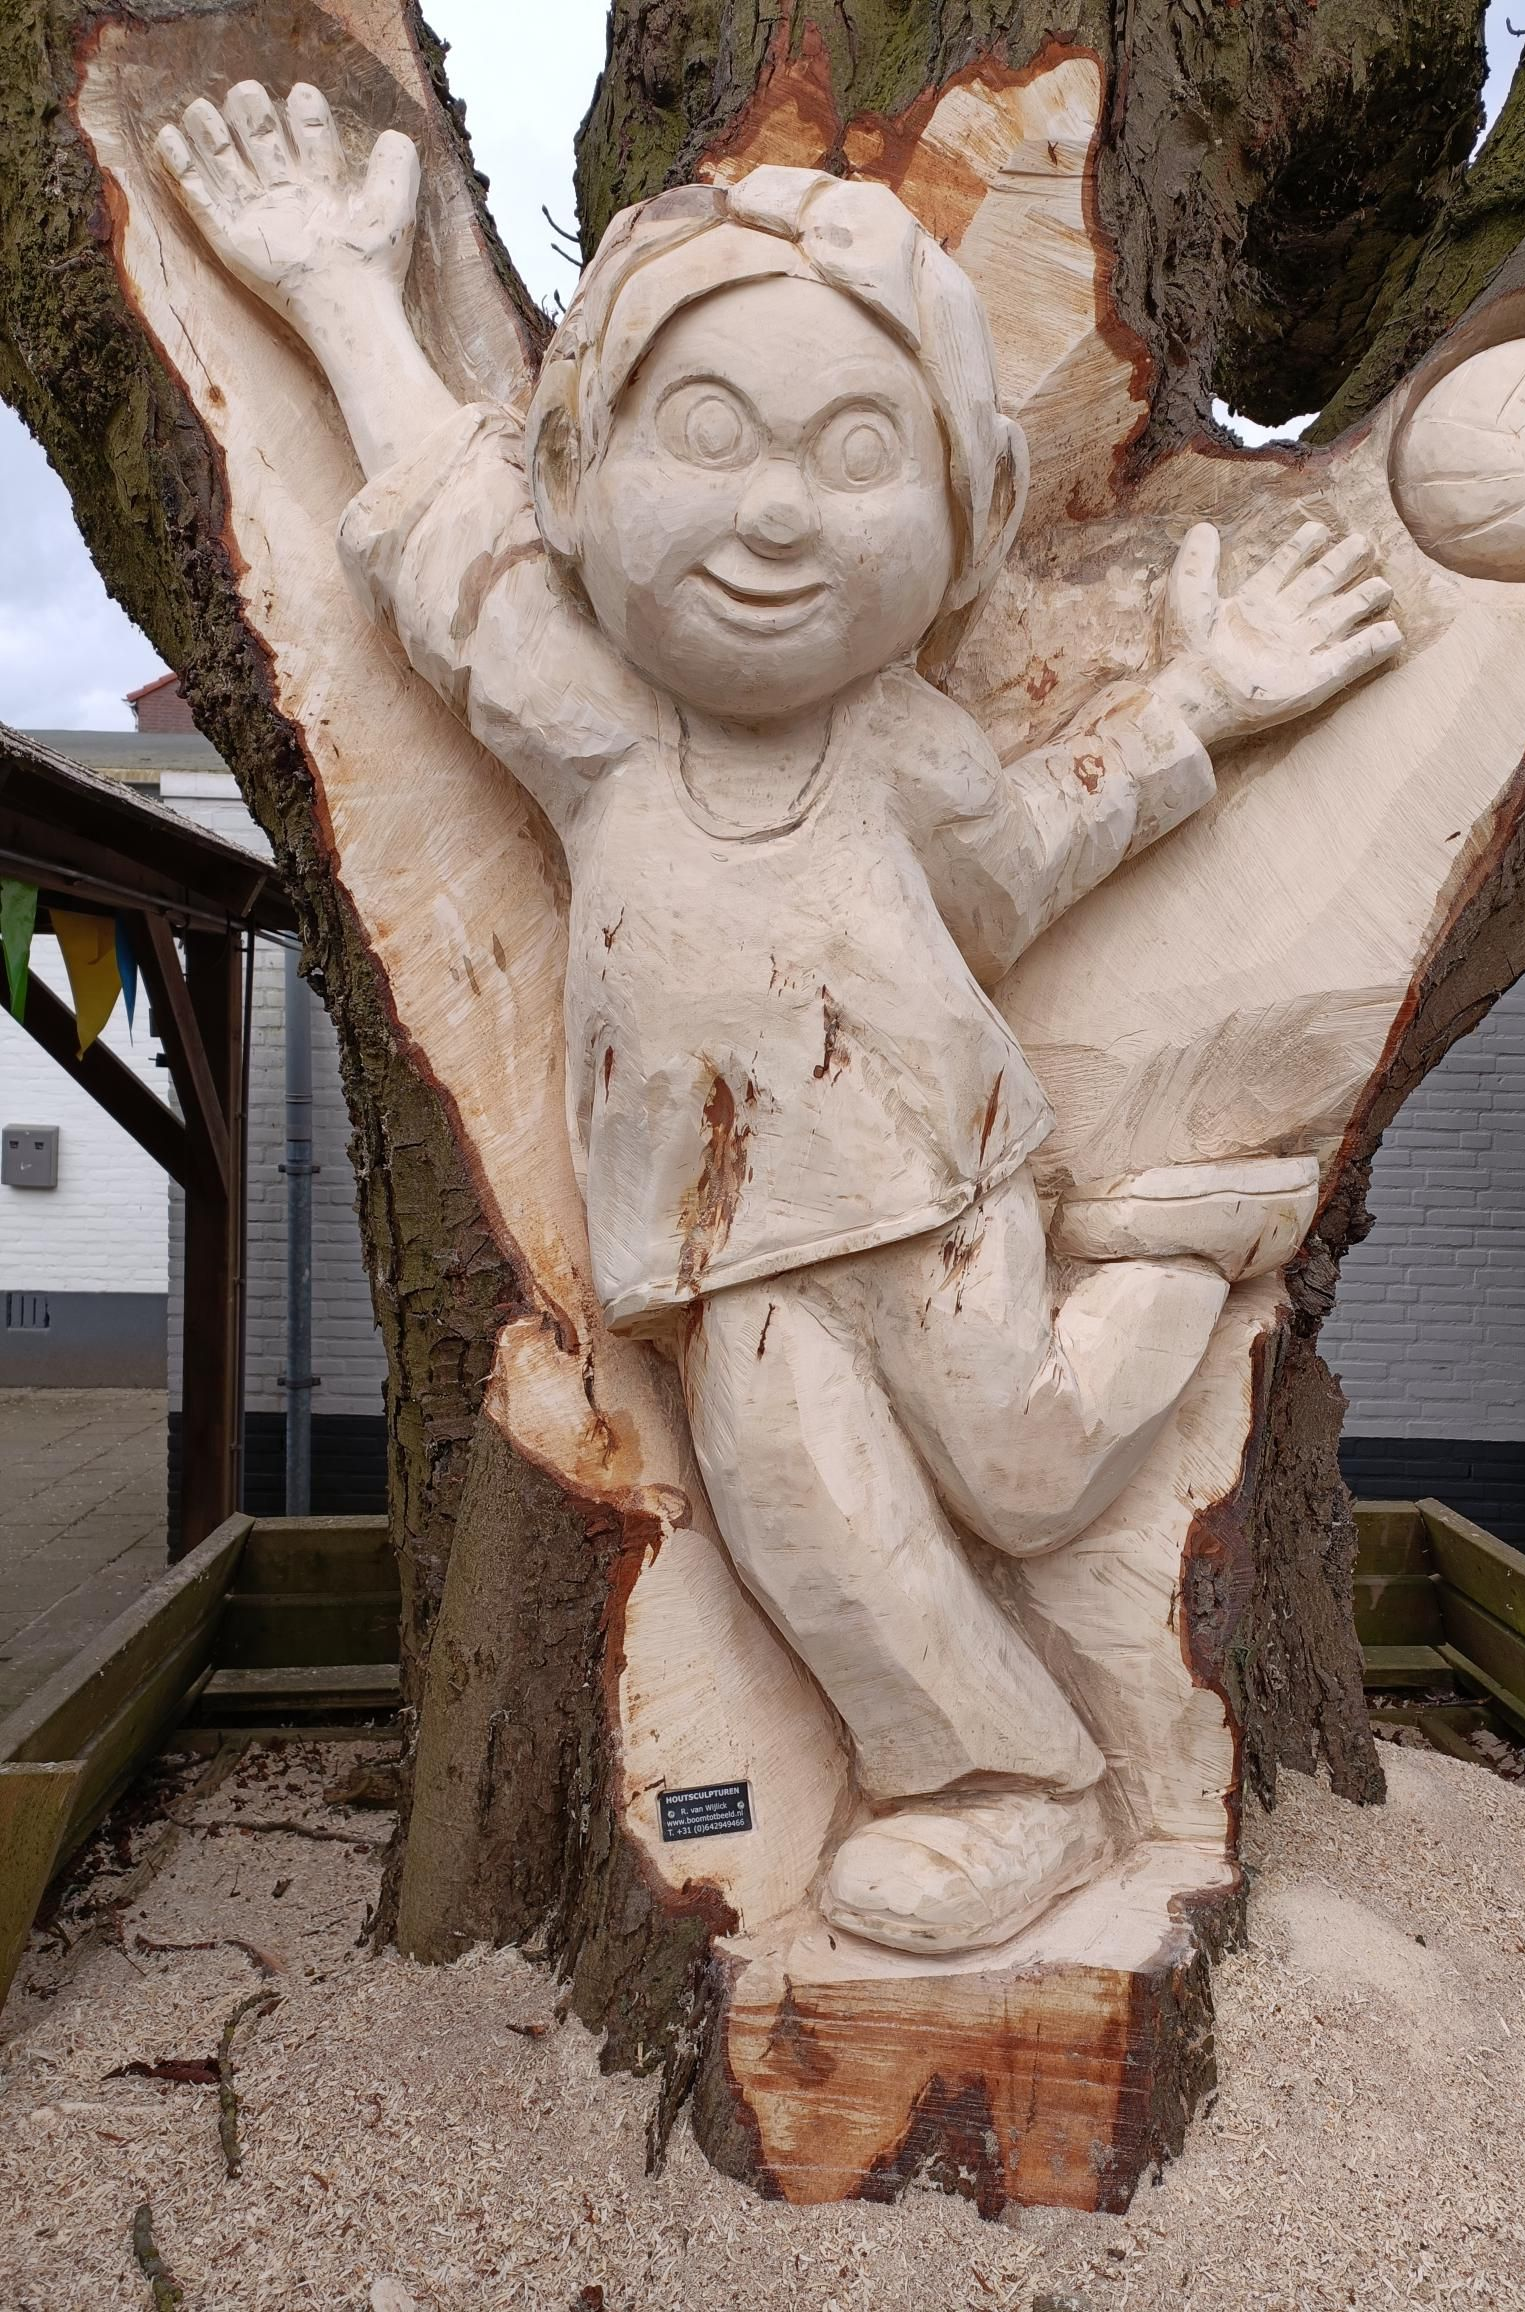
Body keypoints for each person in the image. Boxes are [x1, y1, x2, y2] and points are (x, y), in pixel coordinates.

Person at [156, 84, 1402, 1952]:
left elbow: (1019, 870)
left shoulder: (905, 746)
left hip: (942, 1176)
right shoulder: (591, 721)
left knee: (1025, 1475)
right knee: (809, 1522)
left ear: (965, 518)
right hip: (725, 1241)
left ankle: (1172, 1251)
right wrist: (340, 287)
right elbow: (440, 538)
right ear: (579, 470)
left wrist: (1204, 699)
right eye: (707, 432)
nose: (770, 514)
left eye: (855, 452)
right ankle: (1001, 1781)